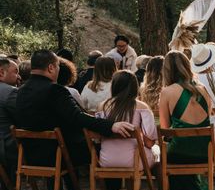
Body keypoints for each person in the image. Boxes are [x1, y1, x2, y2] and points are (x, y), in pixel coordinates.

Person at [5, 50, 133, 173]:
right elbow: (77, 117)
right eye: (57, 66)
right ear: (51, 68)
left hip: (29, 154)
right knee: (106, 150)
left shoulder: (20, 90)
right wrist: (110, 125)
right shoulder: (55, 90)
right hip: (59, 154)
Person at [158, 50, 213, 190]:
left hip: (179, 154)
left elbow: (164, 128)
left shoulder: (167, 92)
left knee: (162, 154)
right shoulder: (203, 90)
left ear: (167, 70)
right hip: (204, 153)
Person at [96, 71, 157, 169]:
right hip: (136, 161)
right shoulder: (142, 107)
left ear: (114, 86)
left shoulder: (101, 107)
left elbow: (97, 138)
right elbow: (150, 143)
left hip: (106, 160)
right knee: (156, 154)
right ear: (134, 87)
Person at [0, 58, 19, 184]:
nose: (19, 76)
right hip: (6, 146)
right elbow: (23, 117)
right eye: (15, 72)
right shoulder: (9, 91)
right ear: (1, 72)